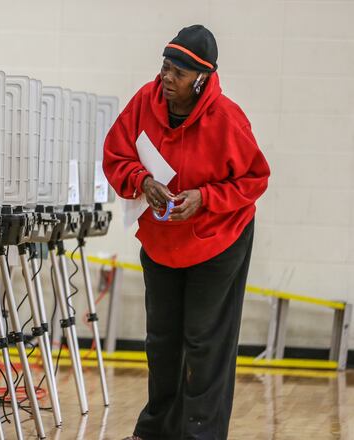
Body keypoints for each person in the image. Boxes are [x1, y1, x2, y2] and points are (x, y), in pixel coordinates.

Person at [103, 25, 270, 439]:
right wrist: (141, 180)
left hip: (218, 242)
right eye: (164, 67)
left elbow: (255, 179)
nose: (167, 78)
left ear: (202, 79)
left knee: (204, 341)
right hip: (163, 242)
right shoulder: (145, 101)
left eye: (178, 72)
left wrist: (207, 198)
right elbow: (115, 154)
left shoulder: (228, 120)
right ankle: (156, 430)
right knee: (161, 341)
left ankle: (201, 434)